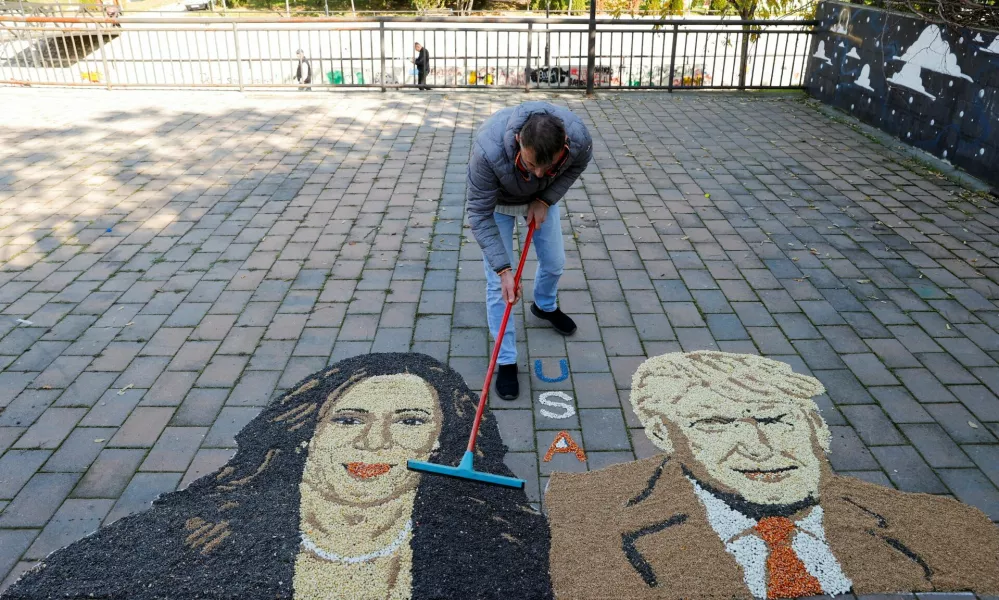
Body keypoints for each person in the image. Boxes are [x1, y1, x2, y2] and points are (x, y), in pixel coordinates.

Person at [3, 353, 553, 600]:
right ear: (306, 432)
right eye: (349, 418)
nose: (374, 442)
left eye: (409, 422)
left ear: (441, 442)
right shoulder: (169, 542)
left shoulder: (514, 554)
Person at [545, 351, 999, 599]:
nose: (761, 448)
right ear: (665, 434)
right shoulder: (589, 507)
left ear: (816, 428)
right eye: (717, 425)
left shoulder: (940, 523)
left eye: (777, 420)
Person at [466, 101, 592, 400]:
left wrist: (545, 198)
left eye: (547, 167)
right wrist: (503, 269)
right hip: (496, 205)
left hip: (540, 202)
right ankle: (506, 360)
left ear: (564, 145)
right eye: (531, 164)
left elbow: (575, 167)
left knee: (555, 263)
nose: (538, 173)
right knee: (501, 288)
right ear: (518, 142)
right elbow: (478, 214)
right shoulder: (487, 151)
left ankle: (544, 306)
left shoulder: (579, 139)